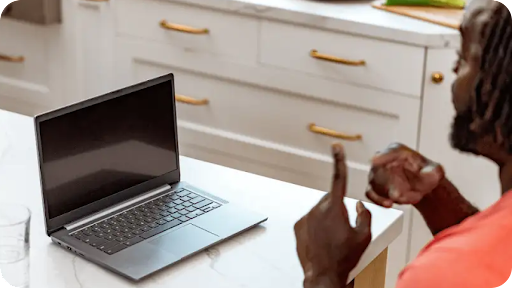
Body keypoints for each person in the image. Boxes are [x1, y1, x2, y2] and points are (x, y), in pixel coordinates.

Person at [294, 0, 512, 287]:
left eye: (465, 57)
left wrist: (325, 273)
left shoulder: (440, 274)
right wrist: (437, 200)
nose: (454, 71)